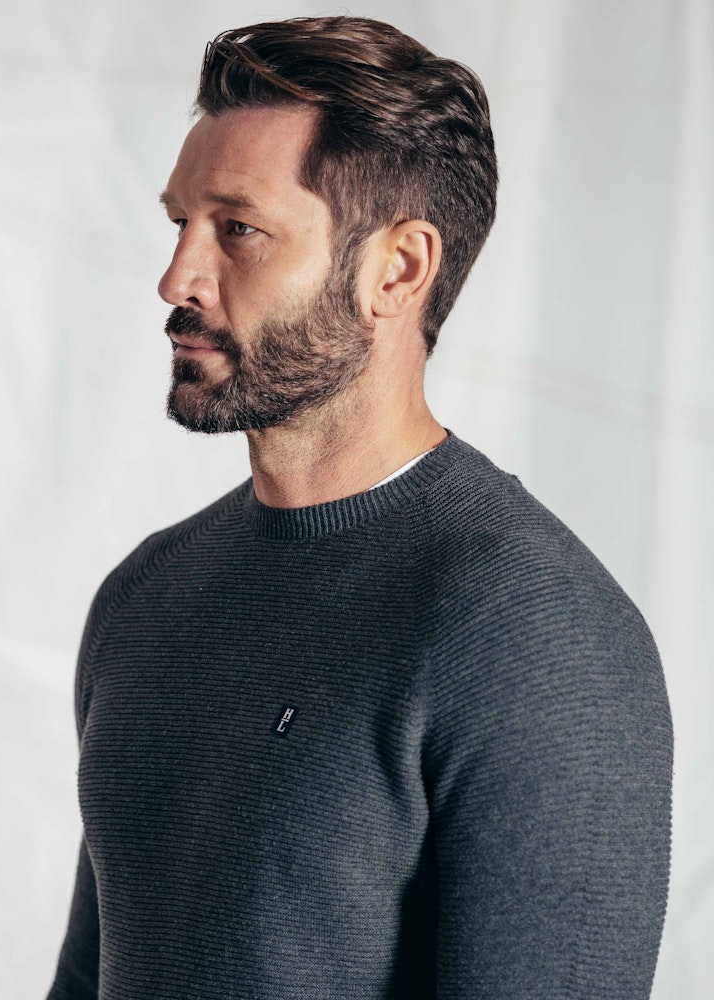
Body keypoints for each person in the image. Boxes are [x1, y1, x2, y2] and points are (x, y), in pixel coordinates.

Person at [46, 16, 672, 1000]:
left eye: (238, 230)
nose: (177, 278)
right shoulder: (145, 595)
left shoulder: (534, 634)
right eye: (180, 224)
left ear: (398, 269)